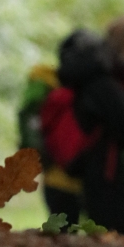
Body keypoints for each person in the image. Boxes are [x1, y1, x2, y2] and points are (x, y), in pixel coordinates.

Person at [43, 29, 124, 233]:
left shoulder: (84, 79)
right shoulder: (101, 82)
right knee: (107, 233)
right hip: (106, 176)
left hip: (80, 173)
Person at [18, 62, 82, 227]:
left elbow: (30, 123)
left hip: (54, 172)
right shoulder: (78, 90)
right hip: (72, 173)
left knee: (62, 228)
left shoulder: (47, 86)